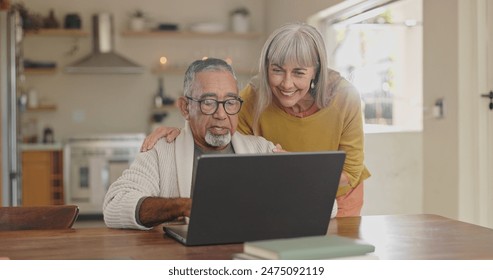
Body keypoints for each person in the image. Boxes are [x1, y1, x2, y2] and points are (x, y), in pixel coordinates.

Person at [140, 22, 370, 217]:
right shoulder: (252, 98)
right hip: (284, 193)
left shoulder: (345, 97)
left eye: (299, 73)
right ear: (266, 67)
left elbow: (350, 171)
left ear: (316, 71)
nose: (286, 84)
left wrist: (296, 166)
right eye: (277, 70)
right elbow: (221, 133)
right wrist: (185, 130)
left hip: (339, 195)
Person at [103, 58, 278, 229]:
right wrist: (182, 206)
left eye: (230, 102)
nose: (221, 114)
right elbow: (114, 205)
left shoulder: (262, 150)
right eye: (208, 102)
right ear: (185, 108)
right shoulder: (161, 151)